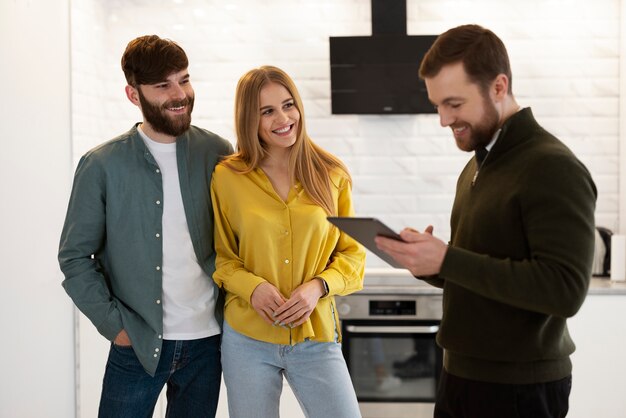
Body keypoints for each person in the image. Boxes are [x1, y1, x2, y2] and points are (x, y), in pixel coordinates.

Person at [375, 24, 597, 418]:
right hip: (461, 376)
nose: (444, 119)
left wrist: (447, 261)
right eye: (437, 105)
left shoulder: (551, 166)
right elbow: (483, 268)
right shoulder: (479, 164)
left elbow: (565, 289)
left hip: (519, 390)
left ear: (498, 86)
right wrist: (429, 263)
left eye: (454, 104)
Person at [58, 35, 233, 418]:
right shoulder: (102, 164)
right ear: (133, 94)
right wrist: (115, 327)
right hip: (138, 342)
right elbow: (74, 257)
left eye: (184, 79)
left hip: (208, 343)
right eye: (162, 85)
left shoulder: (219, 153)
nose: (179, 94)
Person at [210, 65, 365, 418]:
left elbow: (353, 256)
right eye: (267, 111)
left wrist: (318, 287)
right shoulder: (227, 177)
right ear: (250, 118)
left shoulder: (332, 175)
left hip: (316, 336)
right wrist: (252, 287)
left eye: (288, 105)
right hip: (247, 339)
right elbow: (222, 258)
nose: (283, 118)